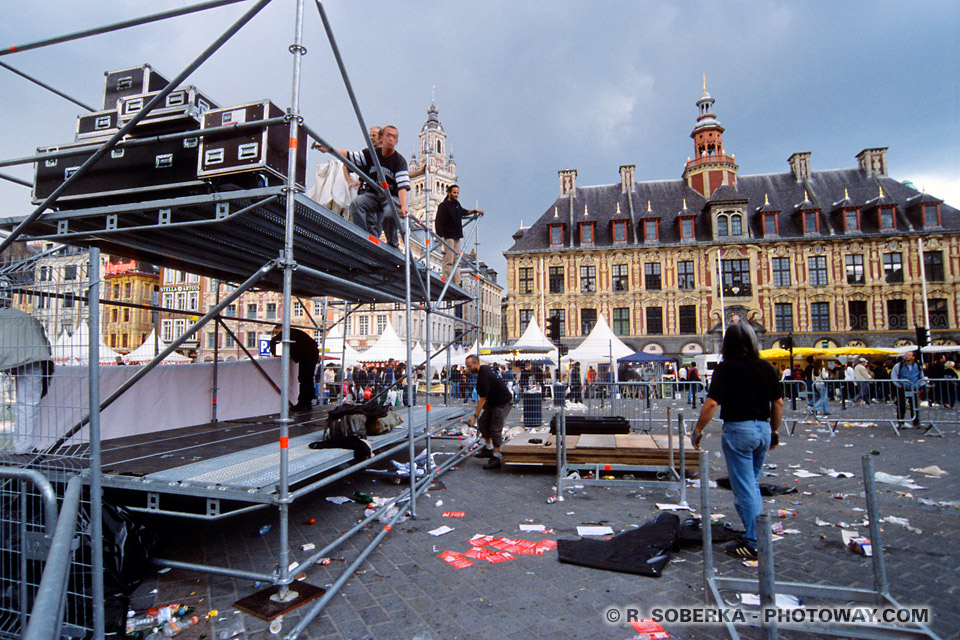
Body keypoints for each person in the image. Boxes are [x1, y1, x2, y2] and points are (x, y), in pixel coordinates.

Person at [692, 322, 783, 560]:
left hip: (739, 431)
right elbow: (779, 403)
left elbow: (712, 403)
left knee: (745, 488)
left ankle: (755, 542)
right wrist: (773, 431)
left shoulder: (726, 368)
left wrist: (698, 430)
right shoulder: (766, 367)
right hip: (762, 429)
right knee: (750, 484)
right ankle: (755, 534)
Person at [328, 125, 409, 248]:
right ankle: (363, 236)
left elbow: (402, 186)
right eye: (389, 135)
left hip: (389, 197)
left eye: (394, 137)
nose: (391, 139)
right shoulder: (371, 153)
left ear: (396, 142)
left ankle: (393, 244)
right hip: (372, 195)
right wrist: (329, 149)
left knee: (389, 214)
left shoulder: (399, 160)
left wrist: (403, 206)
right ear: (382, 138)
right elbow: (348, 155)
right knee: (357, 203)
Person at [1, 307, 54, 453]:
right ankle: (23, 446)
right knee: (28, 403)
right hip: (36, 354)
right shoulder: (23, 316)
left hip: (23, 352)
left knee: (26, 403)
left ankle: (23, 446)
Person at [464, 354, 513, 470]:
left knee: (495, 428)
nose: (467, 369)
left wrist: (474, 416)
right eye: (466, 366)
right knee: (483, 423)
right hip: (492, 402)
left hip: (502, 402)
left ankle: (496, 458)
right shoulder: (482, 372)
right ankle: (489, 448)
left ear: (476, 363)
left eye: (469, 366)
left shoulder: (484, 375)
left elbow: (482, 399)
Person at [435, 185, 484, 286]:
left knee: (457, 260)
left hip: (456, 236)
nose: (456, 195)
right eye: (454, 193)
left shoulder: (457, 204)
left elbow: (463, 212)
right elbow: (438, 222)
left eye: (457, 193)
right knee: (449, 258)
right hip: (448, 235)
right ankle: (447, 280)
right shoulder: (443, 206)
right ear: (449, 193)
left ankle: (456, 282)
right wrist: (441, 236)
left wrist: (474, 211)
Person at [270, 324, 320, 411]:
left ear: (281, 328)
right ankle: (307, 403)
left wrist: (274, 354)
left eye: (277, 332)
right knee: (307, 379)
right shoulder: (294, 332)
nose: (277, 335)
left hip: (307, 355)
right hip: (311, 353)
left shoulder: (286, 332)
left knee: (303, 379)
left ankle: (302, 403)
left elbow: (273, 341)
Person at [892, 350, 926, 428]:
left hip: (914, 388)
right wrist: (898, 385)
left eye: (909, 355)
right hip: (903, 388)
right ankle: (901, 421)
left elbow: (921, 376)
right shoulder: (899, 366)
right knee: (901, 405)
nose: (907, 356)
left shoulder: (917, 366)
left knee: (915, 405)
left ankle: (916, 421)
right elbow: (894, 376)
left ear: (913, 357)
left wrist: (920, 385)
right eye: (906, 355)